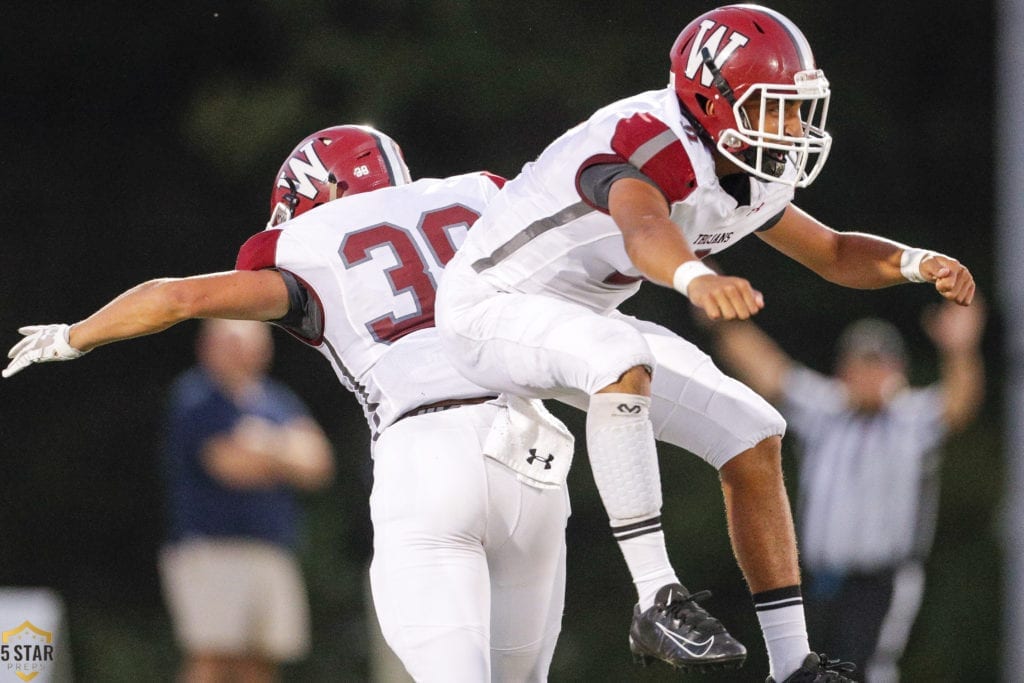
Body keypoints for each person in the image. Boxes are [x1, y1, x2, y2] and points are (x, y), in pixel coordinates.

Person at [434, 4, 975, 682]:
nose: (791, 128)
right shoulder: (648, 137)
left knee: (755, 432)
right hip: (490, 304)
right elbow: (643, 225)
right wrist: (693, 276)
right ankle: (656, 595)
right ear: (709, 100)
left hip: (581, 312)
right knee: (618, 360)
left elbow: (833, 251)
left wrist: (912, 261)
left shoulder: (744, 160)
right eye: (773, 108)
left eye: (795, 109)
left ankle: (793, 663)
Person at [3, 125, 574, 682]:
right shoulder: (474, 197)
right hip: (531, 446)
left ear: (326, 192)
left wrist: (72, 337)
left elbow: (175, 297)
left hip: (424, 446)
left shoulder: (316, 248)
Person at [705, 300, 986, 682]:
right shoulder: (826, 411)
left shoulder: (910, 418)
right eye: (861, 364)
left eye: (878, 364)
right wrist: (722, 319)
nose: (869, 375)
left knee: (866, 668)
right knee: (806, 670)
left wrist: (961, 349)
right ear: (844, 371)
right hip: (820, 576)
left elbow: (957, 405)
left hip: (880, 580)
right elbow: (771, 372)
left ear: (896, 371)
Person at [159, 317, 334, 683]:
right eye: (232, 343)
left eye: (251, 342)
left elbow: (319, 464)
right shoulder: (196, 397)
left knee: (262, 661)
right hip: (212, 548)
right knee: (214, 656)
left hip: (271, 547)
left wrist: (262, 446)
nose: (243, 352)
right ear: (207, 347)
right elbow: (230, 467)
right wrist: (286, 455)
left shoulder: (277, 399)